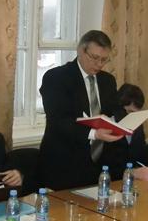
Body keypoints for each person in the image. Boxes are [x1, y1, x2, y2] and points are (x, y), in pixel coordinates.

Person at [38, 30, 125, 190]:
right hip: (64, 164)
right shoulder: (56, 77)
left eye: (104, 59)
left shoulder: (108, 80)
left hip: (99, 166)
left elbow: (115, 111)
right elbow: (58, 120)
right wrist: (94, 133)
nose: (99, 64)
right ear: (80, 51)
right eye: (94, 57)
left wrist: (120, 122)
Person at [110, 84, 148, 180]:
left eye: (136, 113)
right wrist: (133, 173)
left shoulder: (137, 123)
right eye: (130, 112)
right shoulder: (108, 127)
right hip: (113, 180)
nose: (133, 117)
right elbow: (108, 165)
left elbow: (142, 151)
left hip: (134, 180)